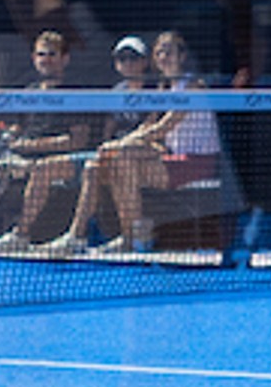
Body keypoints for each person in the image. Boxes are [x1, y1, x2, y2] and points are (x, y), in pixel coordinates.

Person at [46, 28, 230, 256]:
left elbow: (162, 128)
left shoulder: (193, 86)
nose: (163, 57)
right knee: (95, 167)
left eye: (169, 52)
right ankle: (77, 236)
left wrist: (118, 145)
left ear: (182, 56)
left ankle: (134, 237)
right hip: (170, 158)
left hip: (196, 163)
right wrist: (120, 145)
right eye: (160, 52)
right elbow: (147, 125)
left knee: (121, 158)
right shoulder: (164, 87)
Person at [0, 25, 105, 251]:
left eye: (52, 54)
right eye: (41, 54)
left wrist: (29, 147)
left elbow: (76, 140)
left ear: (65, 59)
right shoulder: (30, 92)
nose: (45, 60)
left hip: (59, 159)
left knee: (31, 169)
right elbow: (23, 127)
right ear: (33, 58)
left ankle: (18, 234)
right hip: (22, 154)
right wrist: (7, 130)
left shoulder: (74, 94)